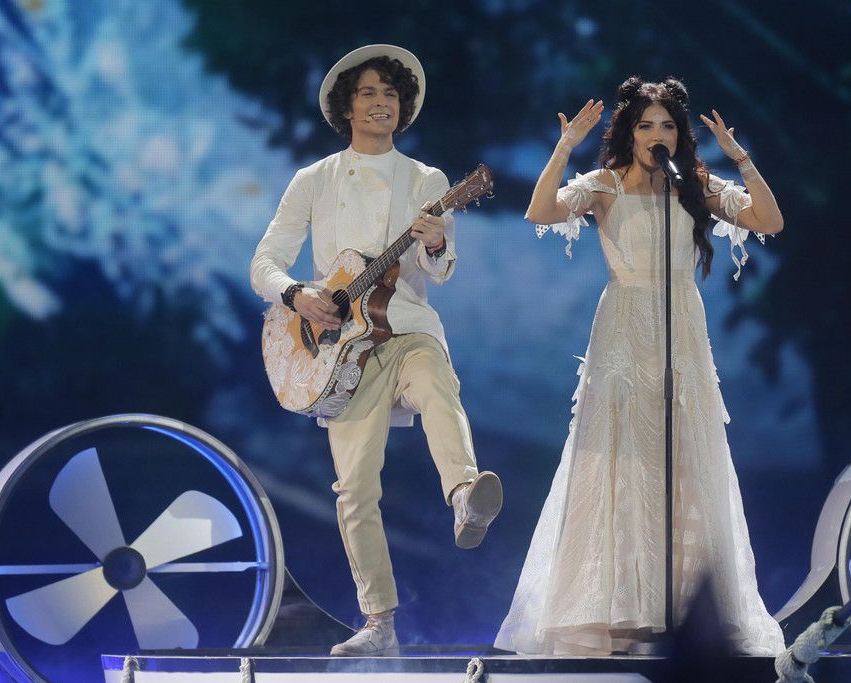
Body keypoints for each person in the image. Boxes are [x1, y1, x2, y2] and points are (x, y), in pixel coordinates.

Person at [494, 76, 786, 656]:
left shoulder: (694, 183)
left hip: (682, 334)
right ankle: (617, 612)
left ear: (680, 134)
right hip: (624, 333)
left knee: (682, 464)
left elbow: (769, 221)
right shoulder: (605, 184)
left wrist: (741, 159)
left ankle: (676, 610)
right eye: (647, 124)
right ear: (629, 132)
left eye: (668, 126)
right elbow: (540, 209)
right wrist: (564, 147)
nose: (658, 134)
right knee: (621, 462)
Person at [250, 44, 502, 657]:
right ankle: (379, 625)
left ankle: (464, 495)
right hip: (337, 349)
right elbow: (265, 262)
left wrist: (436, 243)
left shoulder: (427, 181)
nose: (380, 102)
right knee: (355, 490)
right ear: (347, 106)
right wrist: (298, 295)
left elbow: (440, 271)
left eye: (390, 93)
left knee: (438, 384)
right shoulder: (313, 180)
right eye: (368, 93)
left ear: (402, 107)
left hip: (406, 328)